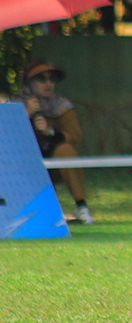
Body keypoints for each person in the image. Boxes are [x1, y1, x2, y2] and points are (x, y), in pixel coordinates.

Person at [18, 60, 94, 224]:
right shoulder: (15, 105)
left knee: (66, 150)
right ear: (29, 83)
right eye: (42, 79)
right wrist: (25, 115)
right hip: (22, 165)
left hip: (53, 165)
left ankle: (81, 206)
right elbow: (8, 137)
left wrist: (50, 132)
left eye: (52, 79)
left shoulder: (62, 106)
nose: (48, 83)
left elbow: (74, 134)